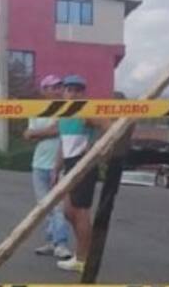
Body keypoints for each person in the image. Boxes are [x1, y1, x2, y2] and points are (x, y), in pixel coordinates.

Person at [55, 75, 109, 273]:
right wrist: (56, 168)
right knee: (69, 211)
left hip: (83, 163)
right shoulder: (64, 114)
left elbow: (108, 126)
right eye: (70, 89)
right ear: (64, 92)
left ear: (83, 93)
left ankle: (83, 259)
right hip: (69, 164)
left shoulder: (86, 111)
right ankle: (82, 253)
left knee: (81, 211)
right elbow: (63, 143)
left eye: (78, 90)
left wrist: (95, 148)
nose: (74, 93)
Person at [24, 75, 73, 259]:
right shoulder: (36, 110)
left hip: (59, 164)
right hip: (38, 164)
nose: (58, 90)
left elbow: (59, 130)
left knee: (59, 206)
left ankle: (61, 243)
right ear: (44, 90)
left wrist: (39, 133)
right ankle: (51, 241)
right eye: (53, 87)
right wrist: (46, 131)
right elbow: (27, 134)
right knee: (44, 206)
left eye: (59, 86)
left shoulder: (66, 108)